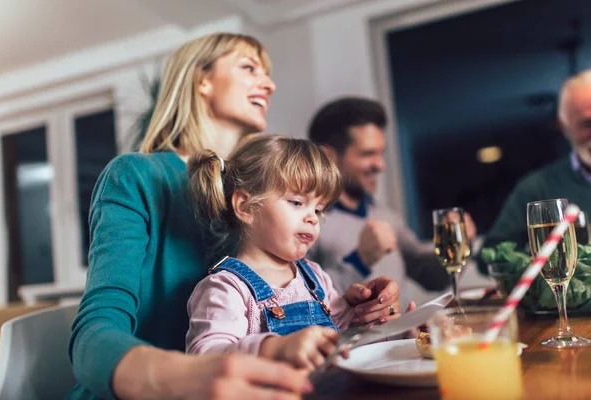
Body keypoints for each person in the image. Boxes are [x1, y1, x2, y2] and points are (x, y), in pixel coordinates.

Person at [66, 32, 315, 400]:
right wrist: (179, 375)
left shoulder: (258, 196)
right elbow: (94, 331)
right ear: (202, 80)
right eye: (249, 68)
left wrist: (347, 306)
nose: (270, 84)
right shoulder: (136, 176)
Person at [186, 134, 411, 370]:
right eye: (296, 203)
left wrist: (392, 327)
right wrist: (275, 348)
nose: (312, 218)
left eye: (319, 209)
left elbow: (348, 345)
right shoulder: (226, 287)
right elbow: (205, 358)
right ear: (245, 207)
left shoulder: (315, 278)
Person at [307, 97, 477, 307]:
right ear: (328, 156)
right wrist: (360, 260)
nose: (380, 165)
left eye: (381, 153)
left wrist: (459, 242)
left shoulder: (385, 215)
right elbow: (302, 301)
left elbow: (433, 278)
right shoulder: (306, 220)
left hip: (407, 339)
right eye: (368, 154)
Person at [480, 69, 591, 272]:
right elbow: (489, 256)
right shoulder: (535, 187)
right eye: (587, 124)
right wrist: (547, 267)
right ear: (564, 127)